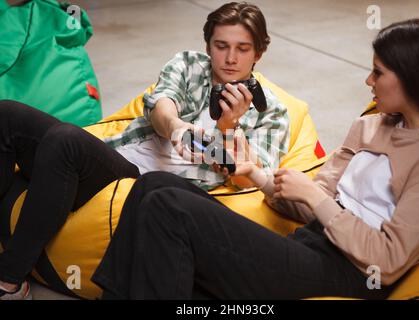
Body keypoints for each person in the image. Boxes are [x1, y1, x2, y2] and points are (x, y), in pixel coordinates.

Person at [92, 18, 419, 300]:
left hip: (348, 272)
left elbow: (386, 262)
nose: (368, 80)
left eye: (379, 72)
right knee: (155, 184)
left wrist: (316, 197)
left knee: (170, 206)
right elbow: (311, 204)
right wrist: (260, 177)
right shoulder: (370, 126)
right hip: (308, 244)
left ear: (413, 79)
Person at [0, 2, 289, 299]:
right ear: (208, 45)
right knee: (7, 115)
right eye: (221, 46)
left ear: (258, 53)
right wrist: (176, 127)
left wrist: (229, 126)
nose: (230, 58)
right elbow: (160, 106)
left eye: (242, 48)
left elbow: (248, 178)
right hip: (115, 156)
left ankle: (9, 280)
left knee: (65, 140)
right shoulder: (190, 65)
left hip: (143, 187)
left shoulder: (272, 111)